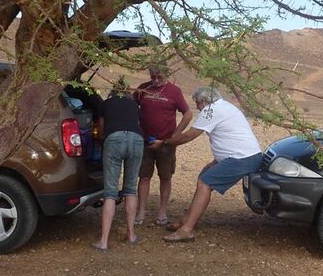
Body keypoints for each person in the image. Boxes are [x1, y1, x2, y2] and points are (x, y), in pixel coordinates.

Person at [149, 86, 263, 242]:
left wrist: (165, 142)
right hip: (243, 155)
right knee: (204, 175)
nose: (196, 107)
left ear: (203, 101)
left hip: (241, 158)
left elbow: (190, 135)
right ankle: (186, 220)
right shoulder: (224, 106)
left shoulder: (211, 110)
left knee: (205, 183)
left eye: (197, 103)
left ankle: (187, 230)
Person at [135, 64, 193, 226]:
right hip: (145, 141)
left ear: (166, 74)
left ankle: (162, 212)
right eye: (153, 77)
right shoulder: (143, 89)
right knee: (144, 176)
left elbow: (188, 114)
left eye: (159, 77)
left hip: (166, 143)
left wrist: (176, 134)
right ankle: (141, 212)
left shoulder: (174, 91)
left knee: (165, 177)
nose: (156, 80)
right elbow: (131, 106)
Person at [92, 79, 144, 252]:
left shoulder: (106, 104)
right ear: (127, 92)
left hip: (114, 139)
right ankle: (131, 234)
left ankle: (104, 241)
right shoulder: (134, 105)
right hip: (137, 140)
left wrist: (102, 143)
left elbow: (101, 128)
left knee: (110, 192)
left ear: (113, 91)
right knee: (130, 189)